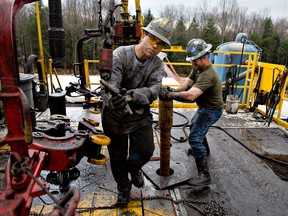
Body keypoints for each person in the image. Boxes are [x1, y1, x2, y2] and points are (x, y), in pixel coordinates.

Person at [100, 18, 172, 206]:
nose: (155, 46)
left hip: (139, 115)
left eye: (161, 44)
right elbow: (109, 87)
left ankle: (135, 168)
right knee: (117, 157)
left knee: (146, 150)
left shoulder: (157, 64)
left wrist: (135, 95)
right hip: (115, 117)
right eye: (153, 39)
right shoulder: (120, 55)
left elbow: (155, 89)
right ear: (143, 35)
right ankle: (124, 188)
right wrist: (114, 100)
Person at [160, 38, 223, 186]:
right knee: (194, 126)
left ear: (205, 57)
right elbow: (187, 83)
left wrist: (170, 95)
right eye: (192, 60)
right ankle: (204, 151)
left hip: (212, 110)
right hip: (205, 108)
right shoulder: (198, 67)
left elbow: (191, 96)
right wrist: (174, 91)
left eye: (195, 60)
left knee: (194, 138)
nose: (192, 63)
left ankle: (204, 175)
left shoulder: (209, 74)